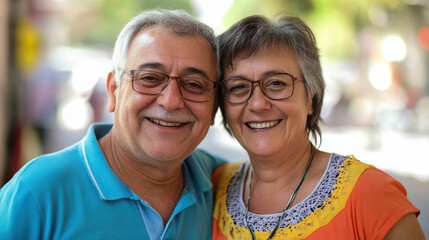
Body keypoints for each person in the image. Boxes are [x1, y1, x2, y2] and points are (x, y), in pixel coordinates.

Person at [0, 9, 225, 239]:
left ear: (214, 107)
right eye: (149, 78)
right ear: (114, 91)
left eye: (194, 84)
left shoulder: (228, 186)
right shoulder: (38, 192)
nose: (171, 101)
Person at [212, 15, 425, 239]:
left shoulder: (370, 193)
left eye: (276, 83)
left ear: (311, 100)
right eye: (238, 87)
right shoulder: (212, 186)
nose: (257, 103)